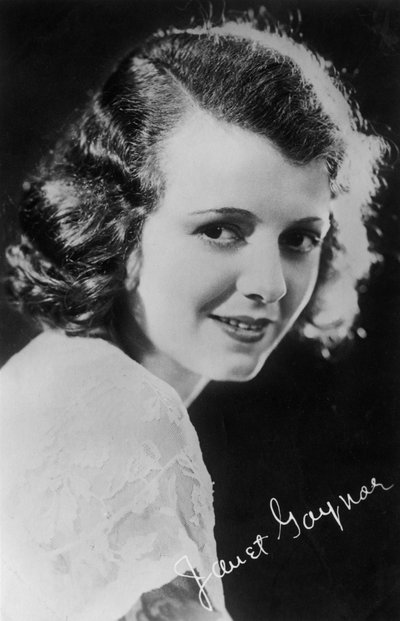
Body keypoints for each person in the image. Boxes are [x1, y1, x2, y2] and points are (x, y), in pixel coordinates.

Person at [0, 17, 387, 621]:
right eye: (220, 230)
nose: (270, 284)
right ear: (116, 225)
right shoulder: (123, 412)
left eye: (300, 238)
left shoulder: (55, 379)